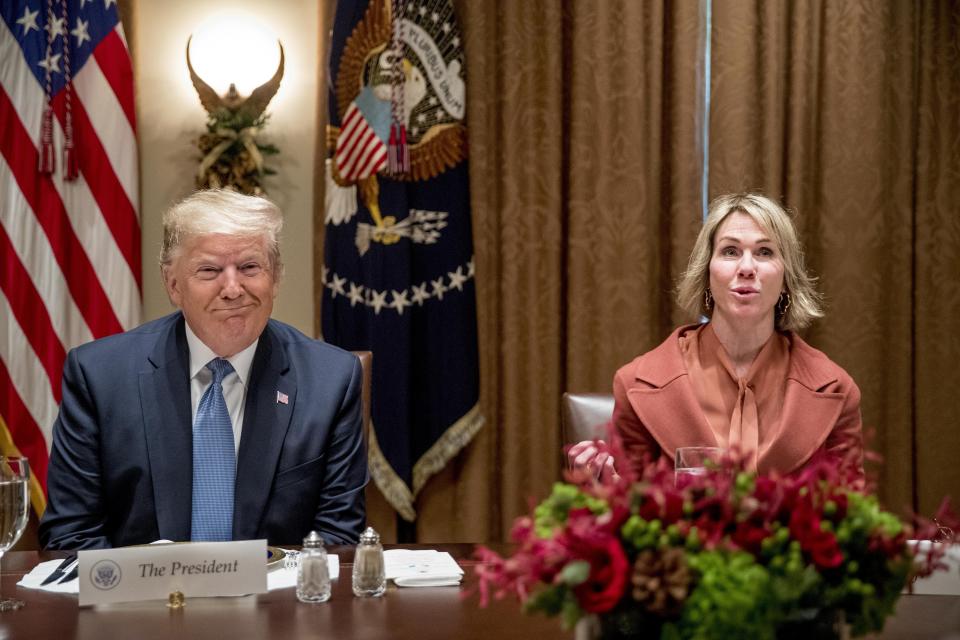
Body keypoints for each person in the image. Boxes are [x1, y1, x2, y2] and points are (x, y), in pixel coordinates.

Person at [40, 190, 367, 549]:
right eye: (209, 270)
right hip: (140, 601)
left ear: (275, 278)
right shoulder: (99, 376)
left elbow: (339, 540)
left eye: (249, 267)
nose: (232, 289)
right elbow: (70, 535)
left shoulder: (332, 380)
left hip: (276, 600)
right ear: (173, 284)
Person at [569, 193, 863, 482]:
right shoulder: (635, 384)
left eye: (765, 252)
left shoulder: (837, 389)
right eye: (730, 251)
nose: (746, 268)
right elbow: (629, 515)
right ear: (707, 273)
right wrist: (600, 490)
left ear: (786, 279)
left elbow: (850, 516)